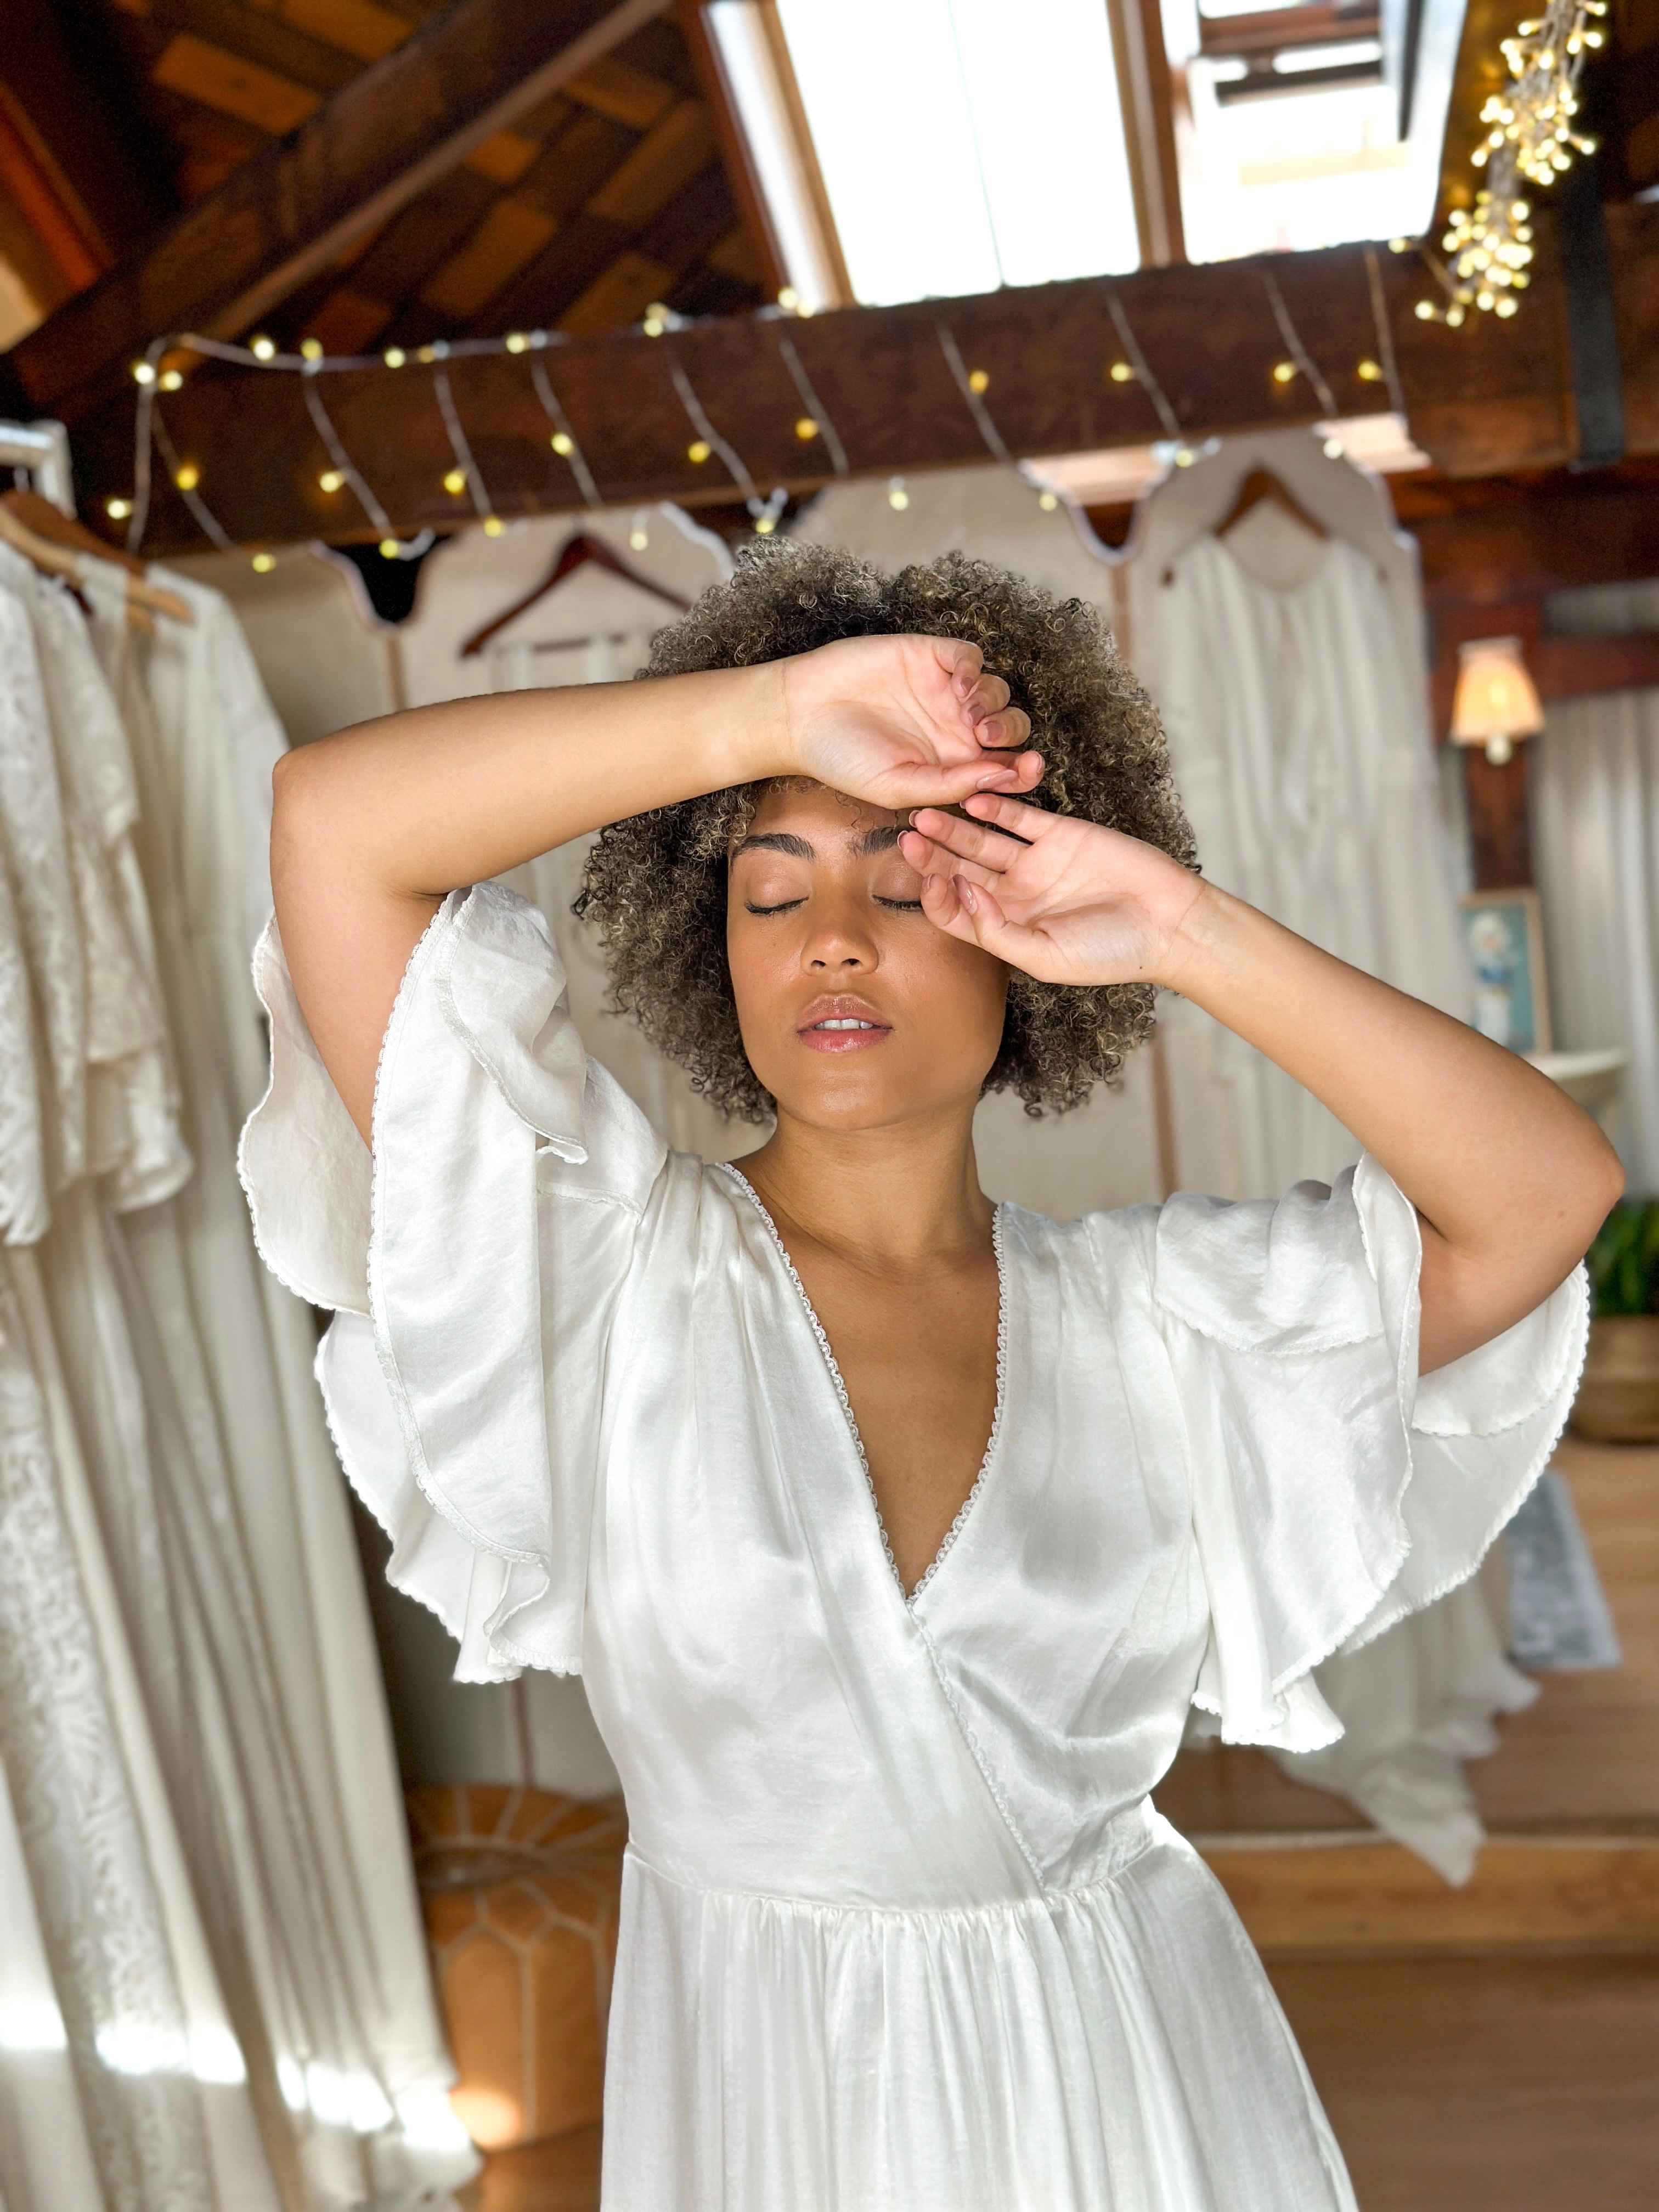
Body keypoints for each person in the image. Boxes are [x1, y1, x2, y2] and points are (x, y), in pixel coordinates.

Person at [239, 541, 1615, 2209]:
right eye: (771, 887)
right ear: (710, 940)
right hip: (765, 2111)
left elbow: (1547, 1194)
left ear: (1023, 937)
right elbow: (333, 825)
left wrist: (1183, 928)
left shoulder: (1163, 1328)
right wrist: (776, 713)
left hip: (1136, 2096)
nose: (831, 938)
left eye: (902, 889)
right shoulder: (595, 1282)